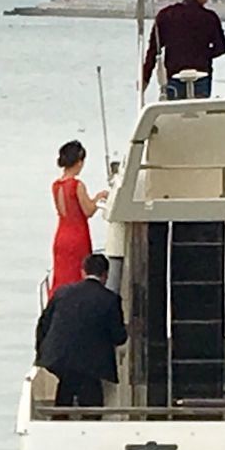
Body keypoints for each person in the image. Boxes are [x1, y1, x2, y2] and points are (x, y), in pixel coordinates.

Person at [36, 252, 127, 410]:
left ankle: (61, 416)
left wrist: (41, 352)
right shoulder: (110, 299)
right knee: (91, 395)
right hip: (91, 364)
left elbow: (43, 324)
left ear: (83, 272)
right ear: (105, 274)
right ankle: (89, 421)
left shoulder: (62, 292)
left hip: (58, 357)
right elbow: (118, 337)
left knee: (67, 384)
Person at [142, 0, 225, 100]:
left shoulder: (165, 15)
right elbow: (222, 47)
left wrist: (145, 78)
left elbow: (153, 51)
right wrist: (203, 54)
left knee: (175, 114)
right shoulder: (209, 18)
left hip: (174, 74)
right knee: (200, 114)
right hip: (201, 76)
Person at [51, 139, 108, 295]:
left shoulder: (56, 185)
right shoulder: (77, 185)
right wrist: (98, 198)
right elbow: (88, 211)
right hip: (77, 235)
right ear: (78, 161)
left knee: (61, 275)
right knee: (78, 275)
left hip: (61, 235)